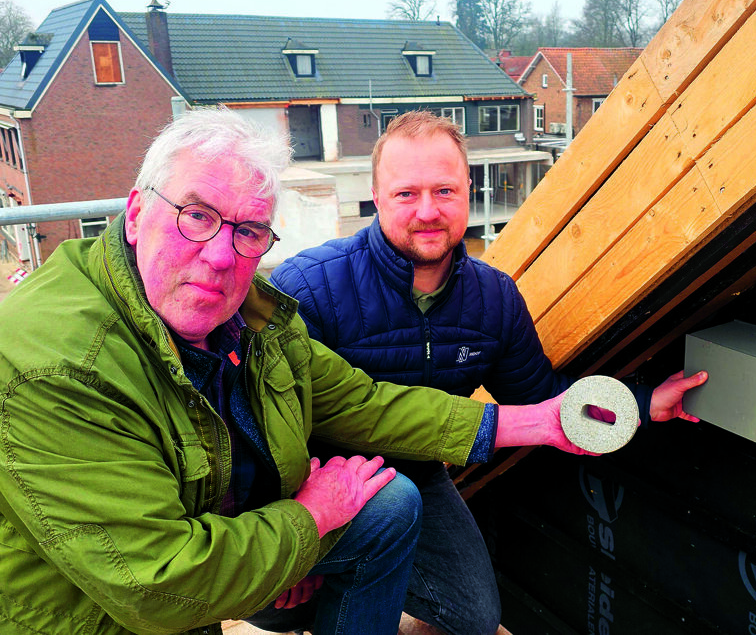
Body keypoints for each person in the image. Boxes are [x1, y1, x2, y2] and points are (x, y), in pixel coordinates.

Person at [0, 107, 606, 635]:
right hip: (101, 613)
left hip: (275, 510)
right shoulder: (60, 365)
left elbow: (367, 405)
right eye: (196, 216)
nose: (218, 256)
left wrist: (545, 422)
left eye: (248, 231)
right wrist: (303, 525)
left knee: (404, 520)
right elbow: (157, 586)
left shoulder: (256, 317)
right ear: (135, 213)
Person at [270, 110, 708, 634]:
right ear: (376, 194)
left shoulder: (493, 299)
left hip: (418, 474)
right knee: (283, 604)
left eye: (445, 191)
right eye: (407, 193)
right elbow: (265, 424)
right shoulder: (310, 288)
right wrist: (296, 526)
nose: (427, 211)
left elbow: (540, 396)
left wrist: (642, 402)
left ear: (468, 189)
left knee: (474, 616)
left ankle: (355, 573)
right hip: (315, 477)